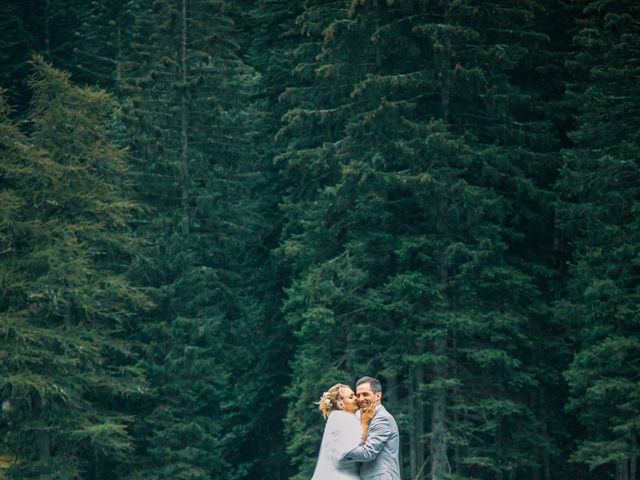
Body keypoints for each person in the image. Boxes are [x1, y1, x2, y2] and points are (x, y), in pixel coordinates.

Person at [340, 376, 401, 480]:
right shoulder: (359, 415)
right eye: (358, 395)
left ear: (378, 396)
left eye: (365, 394)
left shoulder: (382, 418)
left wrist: (341, 452)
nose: (360, 399)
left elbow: (368, 453)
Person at [310, 383, 375, 480]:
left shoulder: (336, 418)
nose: (356, 399)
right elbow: (346, 454)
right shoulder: (344, 420)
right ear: (341, 404)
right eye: (351, 397)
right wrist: (365, 425)